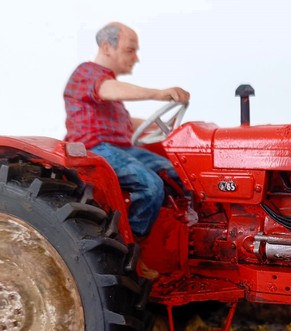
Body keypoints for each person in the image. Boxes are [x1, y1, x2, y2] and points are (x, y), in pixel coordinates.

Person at [63, 22, 196, 245]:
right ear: (107, 47)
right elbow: (108, 89)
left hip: (122, 149)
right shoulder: (88, 74)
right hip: (95, 149)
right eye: (130, 49)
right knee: (150, 184)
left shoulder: (108, 87)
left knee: (179, 173)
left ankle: (187, 226)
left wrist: (172, 127)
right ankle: (133, 247)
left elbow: (125, 122)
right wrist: (159, 94)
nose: (136, 57)